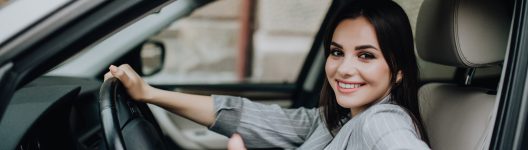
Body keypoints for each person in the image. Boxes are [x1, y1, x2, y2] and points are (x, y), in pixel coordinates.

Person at [104, 0, 430, 149]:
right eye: (336, 52)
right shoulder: (337, 119)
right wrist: (150, 94)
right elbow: (249, 117)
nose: (344, 68)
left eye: (365, 56)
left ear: (399, 71)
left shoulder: (382, 122)